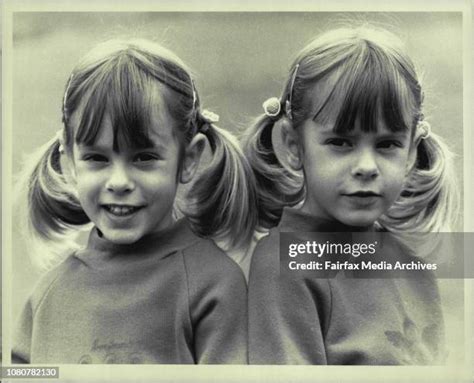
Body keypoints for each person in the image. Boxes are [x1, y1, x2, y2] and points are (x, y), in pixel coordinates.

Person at [12, 38, 256, 364]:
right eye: (97, 158)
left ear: (188, 160)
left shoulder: (213, 285)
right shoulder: (48, 295)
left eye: (143, 158)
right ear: (69, 161)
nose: (119, 182)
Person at [242, 26, 458, 364]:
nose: (367, 167)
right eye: (341, 143)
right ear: (293, 146)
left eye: (387, 144)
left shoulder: (416, 268)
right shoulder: (286, 263)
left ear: (412, 153)